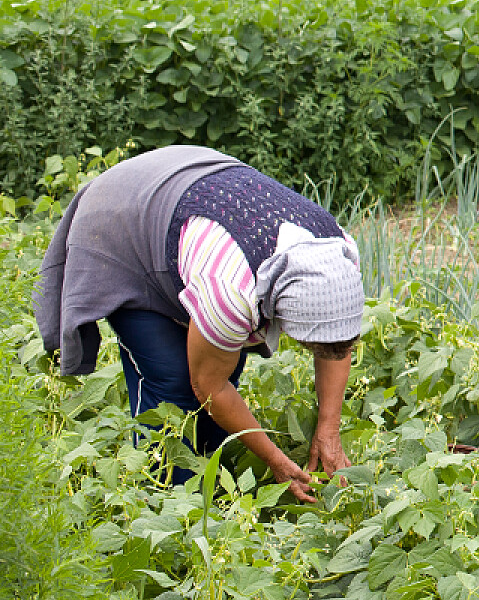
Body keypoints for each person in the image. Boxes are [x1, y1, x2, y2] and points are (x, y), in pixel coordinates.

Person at [34, 146, 365, 502]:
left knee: (224, 369)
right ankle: (167, 504)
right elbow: (208, 384)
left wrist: (329, 429)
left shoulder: (338, 251)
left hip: (189, 191)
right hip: (123, 219)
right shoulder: (232, 290)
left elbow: (336, 347)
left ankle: (208, 480)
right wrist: (275, 460)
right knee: (174, 384)